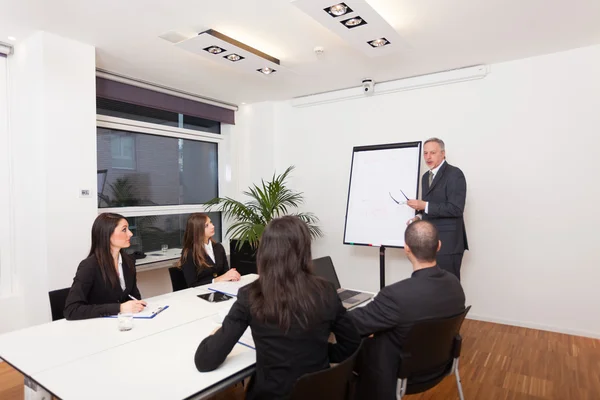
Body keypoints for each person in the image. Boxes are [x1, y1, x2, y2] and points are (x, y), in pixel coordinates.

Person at [194, 216, 361, 399]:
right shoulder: (326, 291)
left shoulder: (250, 295)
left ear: (264, 252)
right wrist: (318, 352)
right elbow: (351, 345)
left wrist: (213, 336)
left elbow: (205, 361)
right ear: (304, 251)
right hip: (318, 393)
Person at [349, 220, 465, 400]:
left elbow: (353, 325)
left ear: (406, 248)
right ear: (439, 246)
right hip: (440, 366)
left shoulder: (395, 295)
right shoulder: (455, 284)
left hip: (399, 372)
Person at [63, 213, 147, 320]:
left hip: (122, 324)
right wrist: (119, 308)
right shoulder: (89, 266)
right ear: (107, 234)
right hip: (95, 328)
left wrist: (137, 305)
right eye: (124, 230)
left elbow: (134, 297)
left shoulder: (129, 261)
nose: (130, 234)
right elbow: (71, 310)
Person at [407, 137, 468, 280]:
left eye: (432, 153)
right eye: (425, 153)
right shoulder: (425, 177)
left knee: (448, 289)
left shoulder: (454, 174)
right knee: (433, 289)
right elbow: (430, 207)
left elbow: (456, 208)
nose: (428, 157)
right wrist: (419, 217)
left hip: (449, 243)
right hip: (429, 243)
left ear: (443, 153)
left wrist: (424, 205)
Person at [178, 213, 240, 287]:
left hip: (221, 290)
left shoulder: (218, 247)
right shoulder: (189, 253)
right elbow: (192, 285)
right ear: (197, 230)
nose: (213, 226)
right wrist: (218, 279)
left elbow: (225, 272)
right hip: (200, 294)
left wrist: (232, 276)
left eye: (211, 222)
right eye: (206, 225)